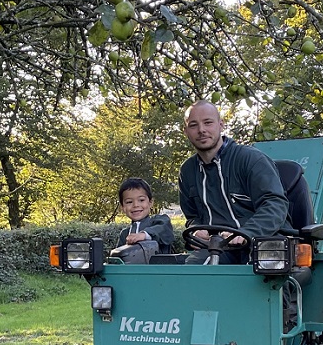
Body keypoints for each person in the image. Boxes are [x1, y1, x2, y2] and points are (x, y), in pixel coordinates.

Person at [178, 100, 291, 264]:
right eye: (193, 125)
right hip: (218, 247)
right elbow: (192, 216)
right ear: (186, 131)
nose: (201, 130)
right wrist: (197, 230)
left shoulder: (250, 159)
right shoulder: (187, 171)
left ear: (221, 125)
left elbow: (275, 204)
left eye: (208, 122)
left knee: (268, 270)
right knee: (193, 271)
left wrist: (246, 233)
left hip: (262, 240)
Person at [111, 177, 174, 263]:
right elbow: (118, 260)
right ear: (122, 207)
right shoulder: (125, 234)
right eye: (129, 202)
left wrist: (144, 235)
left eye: (141, 200)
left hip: (159, 274)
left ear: (150, 202)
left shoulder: (159, 221)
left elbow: (165, 230)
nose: (136, 205)